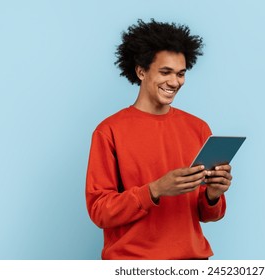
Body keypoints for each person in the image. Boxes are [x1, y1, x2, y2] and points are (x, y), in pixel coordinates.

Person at [85, 19, 233, 260]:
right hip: (133, 265)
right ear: (141, 71)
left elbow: (209, 215)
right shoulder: (109, 131)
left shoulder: (198, 128)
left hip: (194, 263)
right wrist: (155, 190)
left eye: (181, 74)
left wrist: (213, 194)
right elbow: (99, 211)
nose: (174, 82)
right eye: (165, 72)